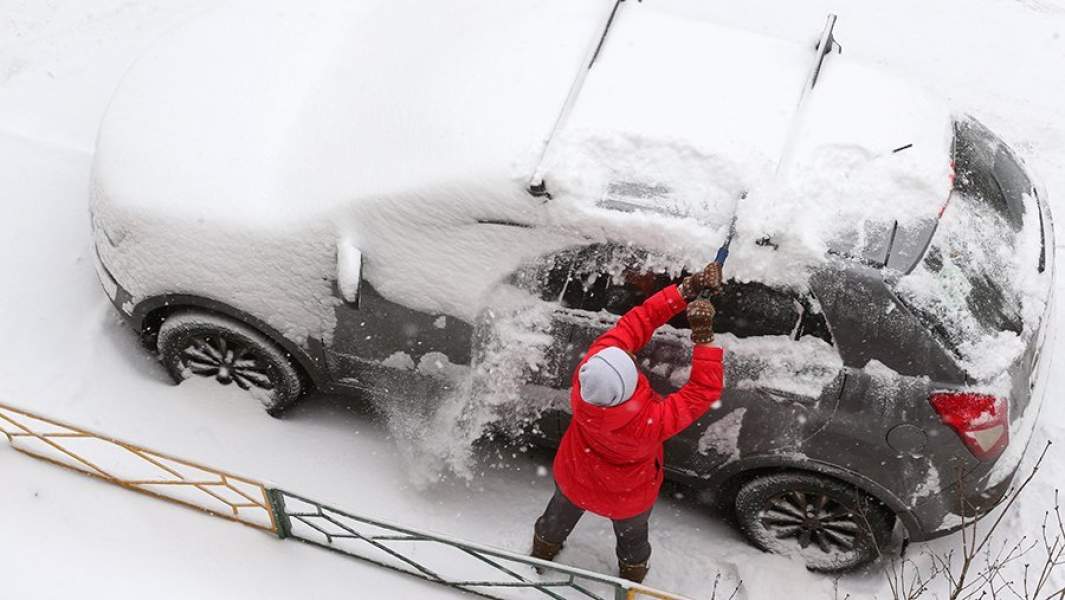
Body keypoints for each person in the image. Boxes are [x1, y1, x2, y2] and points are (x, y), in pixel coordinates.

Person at [531, 262, 725, 583]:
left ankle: (541, 551)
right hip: (627, 498)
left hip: (575, 478)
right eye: (633, 368)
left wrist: (685, 290)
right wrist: (703, 338)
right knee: (633, 540)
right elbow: (702, 391)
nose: (632, 357)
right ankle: (632, 576)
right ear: (629, 386)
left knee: (555, 520)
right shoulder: (649, 421)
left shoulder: (588, 381)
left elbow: (636, 324)